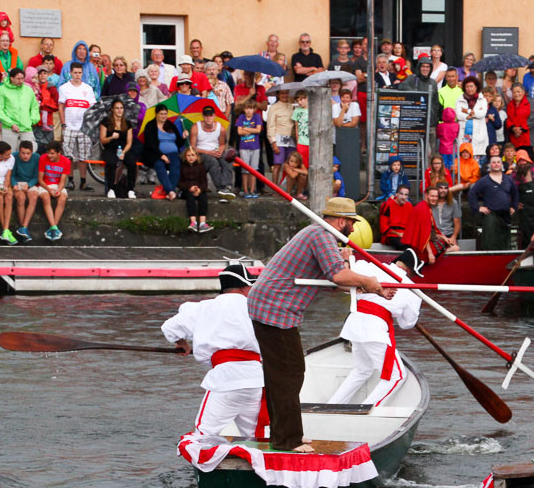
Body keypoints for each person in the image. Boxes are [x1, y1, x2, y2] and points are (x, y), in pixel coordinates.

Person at [247, 198, 394, 453]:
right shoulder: (321, 236)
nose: (351, 228)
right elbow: (338, 275)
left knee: (284, 373)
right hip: (274, 309)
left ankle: (286, 434)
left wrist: (374, 287)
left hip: (274, 308)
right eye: (350, 223)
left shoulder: (319, 236)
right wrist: (368, 279)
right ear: (340, 221)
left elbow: (338, 280)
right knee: (288, 374)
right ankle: (287, 440)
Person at [164, 262, 265, 466]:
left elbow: (170, 328)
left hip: (225, 380)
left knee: (201, 438)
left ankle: (210, 468)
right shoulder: (258, 308)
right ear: (245, 287)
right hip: (256, 381)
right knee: (255, 439)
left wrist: (182, 343)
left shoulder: (205, 307)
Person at [328, 248, 424, 406]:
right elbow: (407, 323)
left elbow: (345, 283)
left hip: (354, 324)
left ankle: (331, 406)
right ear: (408, 270)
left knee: (362, 370)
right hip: (374, 328)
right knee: (397, 376)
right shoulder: (412, 288)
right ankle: (366, 412)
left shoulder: (367, 266)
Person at [58, 64, 97, 191]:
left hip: (84, 128)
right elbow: (61, 107)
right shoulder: (64, 88)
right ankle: (70, 181)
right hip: (69, 126)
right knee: (69, 156)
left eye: (79, 73)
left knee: (83, 156)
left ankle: (83, 182)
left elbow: (92, 108)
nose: (77, 75)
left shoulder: (88, 88)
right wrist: (63, 124)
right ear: (70, 73)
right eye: (75, 72)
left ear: (82, 73)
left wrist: (90, 125)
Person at [469, 155, 519, 250]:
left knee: (505, 243)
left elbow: (515, 193)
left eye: (498, 162)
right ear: (490, 165)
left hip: (505, 216)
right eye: (494, 162)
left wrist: (514, 207)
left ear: (501, 164)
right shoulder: (484, 180)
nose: (496, 164)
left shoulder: (508, 179)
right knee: (490, 243)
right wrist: (478, 207)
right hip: (491, 216)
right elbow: (472, 193)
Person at [189, 105, 236, 201]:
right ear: (203, 116)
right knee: (212, 161)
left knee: (227, 159)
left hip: (215, 150)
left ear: (214, 116)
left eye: (210, 116)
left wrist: (220, 151)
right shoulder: (196, 127)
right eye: (206, 116)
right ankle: (221, 187)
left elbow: (222, 144)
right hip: (201, 152)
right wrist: (208, 152)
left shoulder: (220, 128)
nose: (208, 118)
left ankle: (227, 186)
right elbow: (193, 148)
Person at [140, 103, 186, 200]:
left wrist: (183, 137)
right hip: (155, 154)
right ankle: (170, 191)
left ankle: (170, 191)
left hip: (173, 152)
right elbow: (149, 144)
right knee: (159, 165)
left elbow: (179, 143)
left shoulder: (170, 125)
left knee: (176, 165)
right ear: (156, 114)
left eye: (165, 114)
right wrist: (161, 155)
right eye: (161, 114)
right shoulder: (150, 126)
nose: (164, 116)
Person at [99, 98, 137, 199]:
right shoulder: (106, 122)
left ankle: (130, 189)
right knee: (111, 162)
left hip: (124, 149)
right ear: (112, 109)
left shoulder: (127, 123)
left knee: (132, 163)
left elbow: (129, 142)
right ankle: (111, 188)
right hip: (110, 148)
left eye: (121, 108)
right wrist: (111, 137)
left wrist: (123, 152)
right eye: (117, 108)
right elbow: (102, 140)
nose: (119, 110)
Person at [0, 68, 39, 149]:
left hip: (26, 127)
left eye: (22, 78)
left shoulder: (28, 90)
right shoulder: (2, 90)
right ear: (11, 78)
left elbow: (34, 106)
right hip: (9, 128)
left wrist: (32, 120)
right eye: (18, 79)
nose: (21, 81)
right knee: (9, 153)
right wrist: (10, 124)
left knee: (30, 151)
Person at [36, 140, 70, 240]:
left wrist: (59, 190)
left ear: (59, 153)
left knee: (63, 198)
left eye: (52, 153)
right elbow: (40, 180)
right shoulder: (43, 158)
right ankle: (54, 227)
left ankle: (53, 227)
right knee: (46, 198)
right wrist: (49, 190)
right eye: (48, 153)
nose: (49, 156)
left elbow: (62, 181)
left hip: (57, 185)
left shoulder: (66, 161)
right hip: (45, 185)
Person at [178, 146, 213, 233]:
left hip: (198, 189)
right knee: (190, 197)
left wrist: (200, 189)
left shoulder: (201, 167)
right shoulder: (182, 167)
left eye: (193, 155)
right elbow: (179, 183)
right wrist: (189, 188)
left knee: (203, 197)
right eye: (188, 155)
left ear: (197, 156)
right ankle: (193, 222)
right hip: (186, 190)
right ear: (185, 157)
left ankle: (202, 222)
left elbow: (204, 182)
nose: (191, 157)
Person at [10, 140, 39, 242]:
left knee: (34, 197)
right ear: (19, 151)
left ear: (32, 152)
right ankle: (23, 228)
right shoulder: (13, 156)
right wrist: (14, 185)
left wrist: (29, 184)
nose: (25, 156)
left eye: (28, 153)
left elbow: (36, 176)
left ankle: (24, 227)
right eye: (23, 153)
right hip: (17, 182)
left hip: (30, 183)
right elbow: (11, 175)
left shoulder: (37, 158)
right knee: (21, 198)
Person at [235, 100, 263, 198]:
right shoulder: (241, 117)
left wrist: (246, 129)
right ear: (244, 109)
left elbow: (258, 130)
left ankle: (252, 190)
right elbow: (239, 132)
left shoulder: (257, 117)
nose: (249, 111)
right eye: (247, 108)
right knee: (245, 170)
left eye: (251, 108)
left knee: (254, 169)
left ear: (254, 109)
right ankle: (245, 190)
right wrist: (253, 130)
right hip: (244, 147)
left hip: (255, 147)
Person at [512, 152, 534, 249]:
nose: (522, 163)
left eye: (524, 160)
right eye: (520, 161)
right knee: (525, 240)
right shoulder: (513, 176)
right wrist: (514, 203)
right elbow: (506, 191)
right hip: (524, 215)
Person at [456, 76, 488, 159]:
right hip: (465, 134)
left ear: (476, 87)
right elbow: (458, 115)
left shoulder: (482, 100)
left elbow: (482, 114)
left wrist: (467, 111)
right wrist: (471, 115)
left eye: (471, 86)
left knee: (476, 161)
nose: (469, 89)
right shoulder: (459, 99)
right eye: (467, 86)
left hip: (478, 133)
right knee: (464, 156)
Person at [291, 91, 310, 167]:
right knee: (303, 164)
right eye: (298, 100)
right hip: (301, 142)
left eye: (301, 99)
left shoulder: (313, 109)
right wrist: (298, 141)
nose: (299, 102)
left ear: (306, 98)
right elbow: (296, 127)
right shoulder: (296, 111)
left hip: (312, 141)